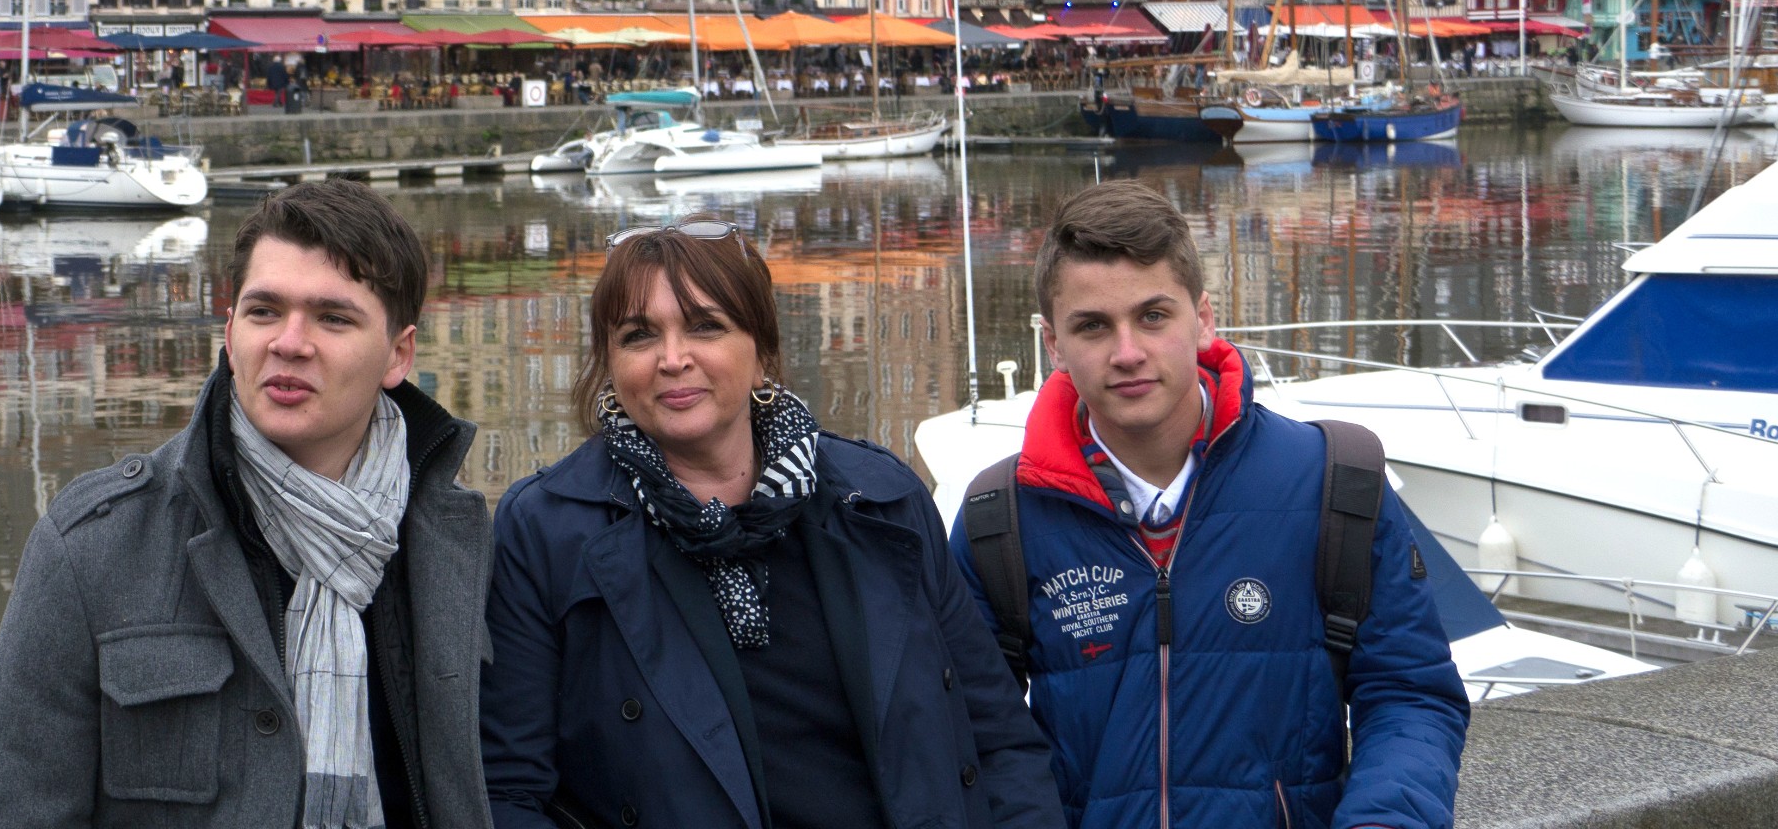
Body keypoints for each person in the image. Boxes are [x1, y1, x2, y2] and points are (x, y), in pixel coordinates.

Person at [482, 218, 1064, 829]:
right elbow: (506, 790)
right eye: (639, 335)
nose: (672, 359)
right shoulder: (547, 532)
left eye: (705, 326)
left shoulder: (881, 499)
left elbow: (1000, 742)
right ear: (610, 363)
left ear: (761, 351)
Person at [0, 181, 491, 829]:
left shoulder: (458, 544)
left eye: (333, 318)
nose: (289, 342)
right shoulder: (90, 549)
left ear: (398, 354)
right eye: (264, 311)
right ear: (230, 331)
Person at [953, 183, 1467, 828]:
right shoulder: (999, 521)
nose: (1128, 353)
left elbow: (1409, 693)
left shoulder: (1333, 483)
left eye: (1153, 316)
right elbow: (978, 736)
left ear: (1203, 319)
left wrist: (1383, 822)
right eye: (1093, 326)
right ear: (1054, 345)